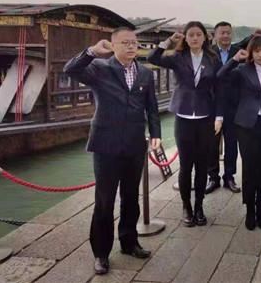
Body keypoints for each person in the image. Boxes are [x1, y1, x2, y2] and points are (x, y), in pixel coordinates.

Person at [64, 27, 161, 275]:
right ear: (113, 45)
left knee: (131, 197)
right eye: (125, 42)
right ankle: (101, 253)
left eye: (134, 42)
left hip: (134, 144)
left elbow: (151, 107)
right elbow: (70, 70)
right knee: (105, 201)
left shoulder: (145, 74)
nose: (131, 46)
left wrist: (156, 135)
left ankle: (129, 243)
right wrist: (91, 52)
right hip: (105, 145)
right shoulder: (99, 68)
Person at [148, 21, 222, 228]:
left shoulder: (213, 58)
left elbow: (220, 88)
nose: (195, 38)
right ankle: (186, 207)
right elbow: (152, 58)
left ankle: (199, 206)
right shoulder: (178, 57)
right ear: (186, 38)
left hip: (206, 116)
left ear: (205, 37)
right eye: (191, 35)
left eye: (199, 34)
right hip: (183, 116)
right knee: (186, 166)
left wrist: (220, 116)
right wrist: (168, 42)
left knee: (202, 166)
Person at [217, 37, 261, 230]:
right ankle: (249, 209)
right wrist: (234, 60)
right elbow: (220, 76)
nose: (260, 55)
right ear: (251, 52)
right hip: (246, 125)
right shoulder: (242, 70)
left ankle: (260, 209)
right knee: (249, 168)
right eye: (256, 51)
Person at [207, 21, 241, 194]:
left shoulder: (239, 53)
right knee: (211, 143)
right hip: (211, 105)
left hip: (233, 105)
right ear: (215, 35)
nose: (226, 35)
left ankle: (229, 176)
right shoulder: (208, 53)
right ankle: (213, 177)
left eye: (228, 32)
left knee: (232, 143)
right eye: (222, 32)